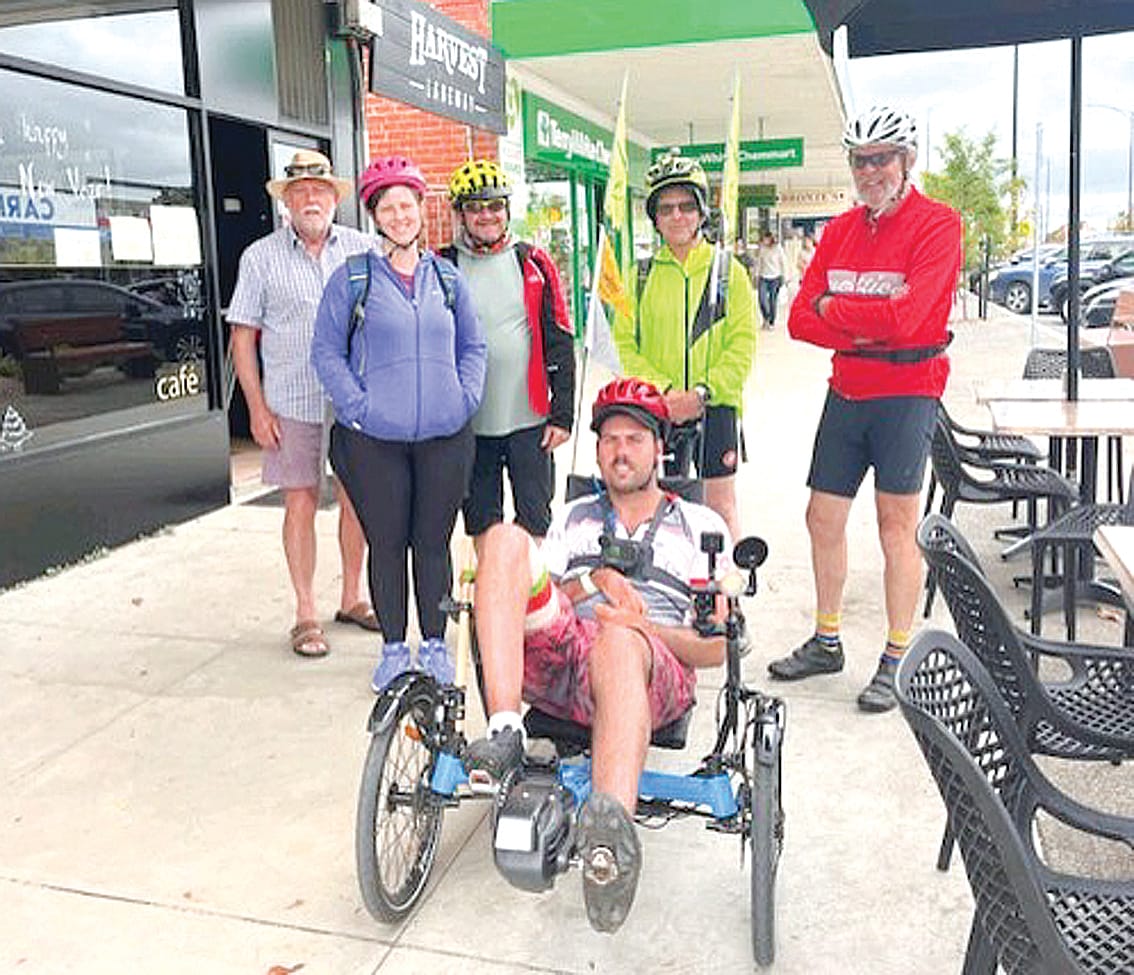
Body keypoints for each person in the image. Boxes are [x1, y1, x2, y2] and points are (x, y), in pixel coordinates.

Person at [466, 378, 730, 933]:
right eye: (610, 439)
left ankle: (611, 833)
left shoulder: (703, 527)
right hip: (567, 654)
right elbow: (543, 597)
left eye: (635, 438)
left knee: (617, 642)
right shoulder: (574, 518)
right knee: (504, 540)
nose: (620, 451)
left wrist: (639, 626)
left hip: (652, 663)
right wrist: (596, 578)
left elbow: (713, 648)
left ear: (660, 448)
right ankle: (506, 728)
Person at [767, 105, 962, 713]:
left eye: (882, 157)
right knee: (821, 518)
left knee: (894, 527)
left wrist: (836, 310)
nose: (870, 169)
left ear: (907, 161)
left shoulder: (938, 225)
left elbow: (911, 320)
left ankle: (897, 653)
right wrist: (864, 324)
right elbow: (798, 319)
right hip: (848, 391)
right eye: (860, 159)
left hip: (908, 392)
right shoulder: (841, 229)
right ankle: (828, 640)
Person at [311, 156, 486, 691]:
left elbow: (473, 346)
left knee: (432, 543)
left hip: (444, 435)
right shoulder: (354, 278)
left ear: (421, 210)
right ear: (375, 217)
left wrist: (464, 399)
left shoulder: (447, 278)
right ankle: (392, 648)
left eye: (407, 204)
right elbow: (325, 351)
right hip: (374, 442)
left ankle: (433, 643)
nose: (399, 215)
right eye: (387, 207)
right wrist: (357, 407)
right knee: (387, 544)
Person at [228, 148, 376, 659]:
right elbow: (242, 338)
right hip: (290, 400)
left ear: (334, 198)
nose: (311, 199)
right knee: (300, 501)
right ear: (286, 202)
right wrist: (256, 407)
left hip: (353, 400)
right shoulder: (260, 257)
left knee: (358, 499)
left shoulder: (364, 250)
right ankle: (306, 612)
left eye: (319, 191)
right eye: (300, 193)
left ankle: (352, 598)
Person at [612, 152, 756, 546]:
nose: (678, 216)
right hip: (657, 409)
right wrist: (664, 392)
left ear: (701, 211)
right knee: (656, 506)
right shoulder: (638, 275)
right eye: (667, 208)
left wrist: (702, 394)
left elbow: (742, 344)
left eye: (687, 206)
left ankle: (726, 597)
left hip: (716, 405)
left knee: (719, 506)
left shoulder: (728, 272)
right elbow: (624, 343)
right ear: (655, 218)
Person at [438, 159, 575, 550]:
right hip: (470, 422)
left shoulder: (532, 261)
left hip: (529, 419)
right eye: (476, 207)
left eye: (495, 205)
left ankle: (532, 602)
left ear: (507, 210)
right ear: (460, 213)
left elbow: (560, 338)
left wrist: (562, 413)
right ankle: (493, 597)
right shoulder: (443, 265)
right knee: (482, 518)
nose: (486, 215)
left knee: (535, 516)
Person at [755, 231, 788, 330]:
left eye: (766, 239)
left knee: (772, 301)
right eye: (763, 239)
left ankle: (771, 322)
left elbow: (783, 263)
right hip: (763, 277)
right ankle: (766, 317)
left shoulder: (778, 249)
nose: (764, 241)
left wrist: (784, 277)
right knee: (762, 299)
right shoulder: (762, 249)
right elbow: (759, 262)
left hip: (775, 277)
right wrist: (756, 275)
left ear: (770, 239)